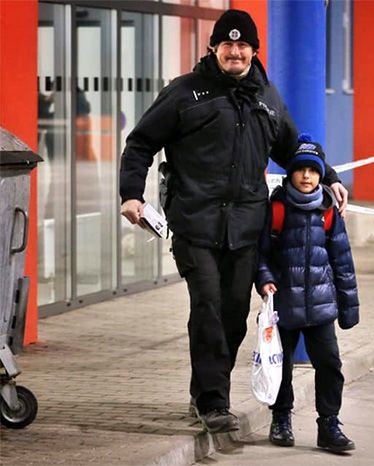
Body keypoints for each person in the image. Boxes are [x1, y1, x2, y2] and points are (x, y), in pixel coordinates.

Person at [118, 9, 349, 434]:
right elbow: (141, 142)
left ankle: (203, 389)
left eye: (243, 46)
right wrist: (131, 194)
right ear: (214, 49)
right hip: (195, 223)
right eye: (228, 45)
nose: (236, 52)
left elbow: (294, 148)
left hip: (246, 227)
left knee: (233, 312)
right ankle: (213, 403)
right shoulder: (186, 94)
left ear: (254, 51)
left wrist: (329, 177)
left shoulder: (267, 98)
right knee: (207, 304)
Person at [256, 138, 359, 453]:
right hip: (284, 306)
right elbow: (260, 255)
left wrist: (348, 308)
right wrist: (265, 280)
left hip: (321, 305)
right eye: (299, 169)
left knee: (329, 364)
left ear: (320, 175)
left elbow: (343, 262)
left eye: (312, 171)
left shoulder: (328, 212)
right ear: (290, 174)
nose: (306, 176)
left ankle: (329, 424)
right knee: (281, 364)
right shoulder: (275, 209)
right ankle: (281, 418)